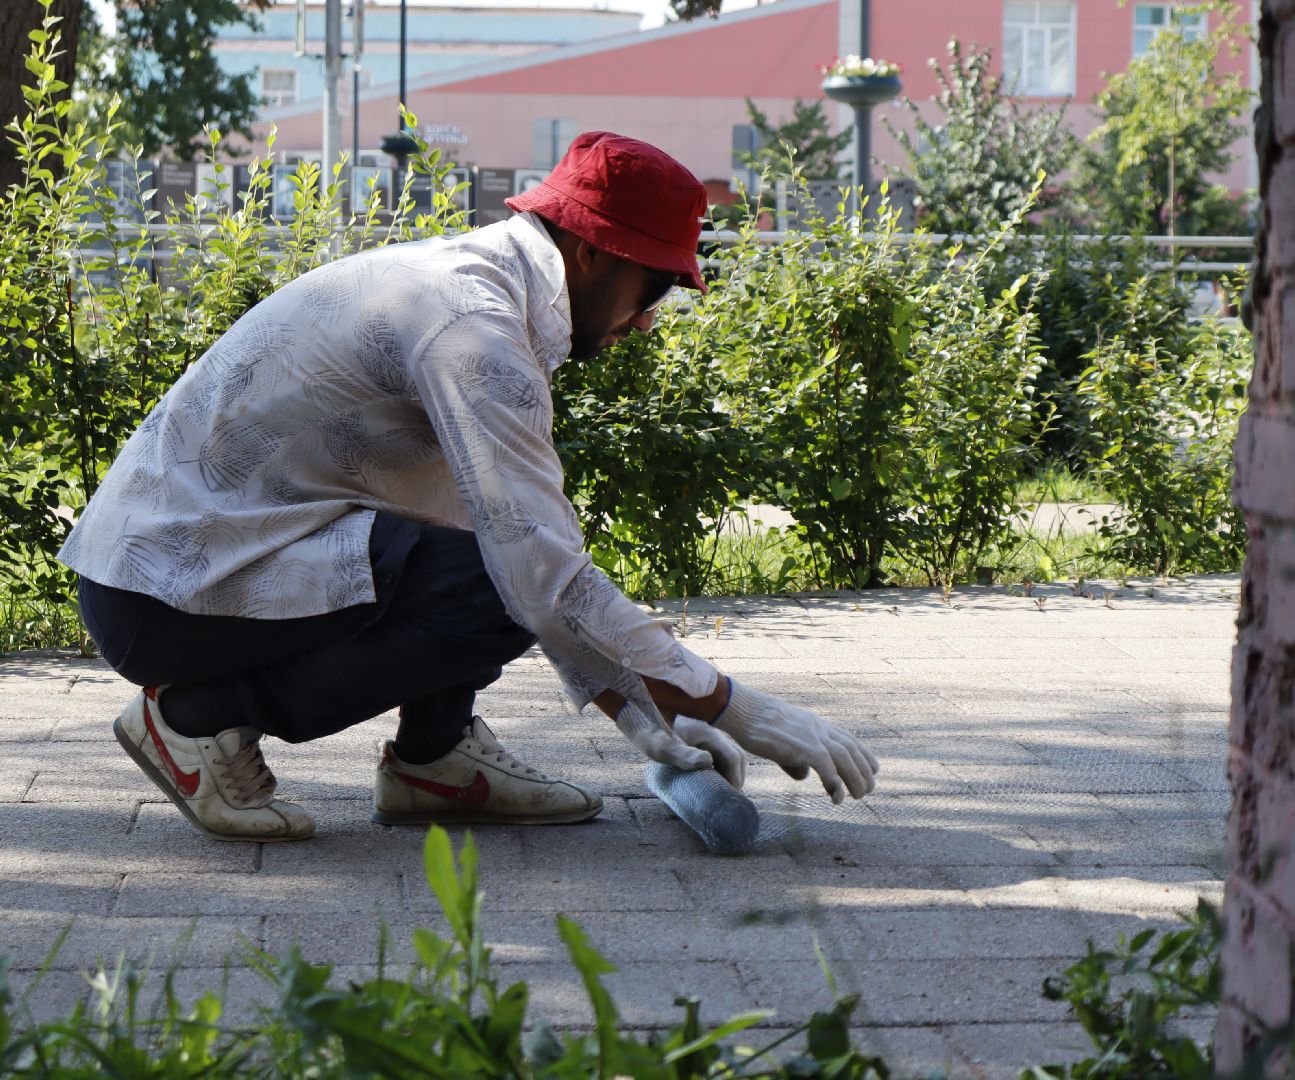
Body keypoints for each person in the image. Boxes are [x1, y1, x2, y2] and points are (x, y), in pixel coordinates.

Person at [58, 131, 878, 843]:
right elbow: (542, 580)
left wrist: (653, 717)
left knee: (480, 555)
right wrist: (734, 705)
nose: (649, 319)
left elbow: (523, 552)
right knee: (492, 581)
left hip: (191, 570)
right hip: (167, 595)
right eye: (654, 285)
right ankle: (196, 721)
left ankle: (436, 761)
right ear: (590, 252)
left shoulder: (483, 296)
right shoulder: (474, 330)